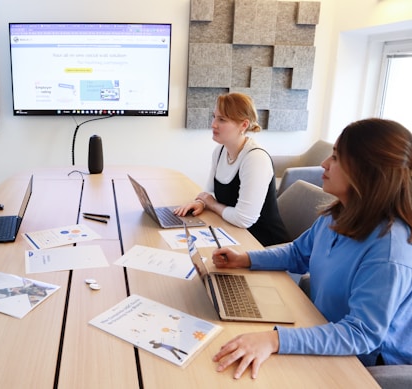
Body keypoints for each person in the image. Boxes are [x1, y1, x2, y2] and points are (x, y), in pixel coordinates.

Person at [210, 118, 412, 379]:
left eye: (337, 158)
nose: (324, 164)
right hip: (320, 327)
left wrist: (274, 340)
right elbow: (298, 253)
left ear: (368, 171)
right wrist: (246, 258)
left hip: (363, 365)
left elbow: (361, 335)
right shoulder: (338, 213)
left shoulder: (389, 250)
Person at [174, 92, 288, 246]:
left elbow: (243, 219)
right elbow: (208, 192)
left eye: (222, 120)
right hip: (232, 232)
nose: (213, 124)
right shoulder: (220, 151)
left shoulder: (255, 159)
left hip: (262, 243)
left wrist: (212, 205)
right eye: (214, 117)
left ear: (244, 125)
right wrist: (201, 203)